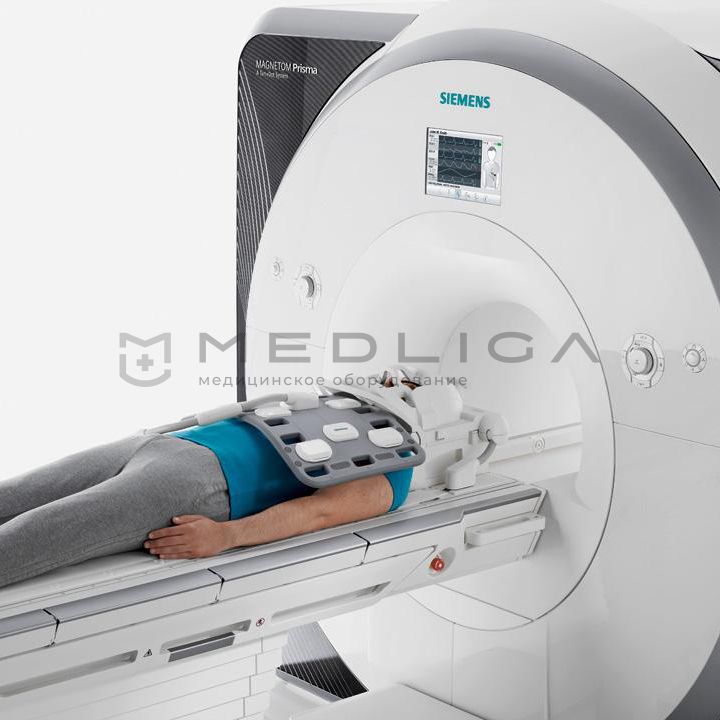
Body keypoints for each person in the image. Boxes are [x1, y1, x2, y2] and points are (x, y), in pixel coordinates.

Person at [0, 396, 413, 589]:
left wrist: (225, 536)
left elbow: (317, 513)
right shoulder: (342, 399)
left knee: (37, 533)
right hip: (164, 441)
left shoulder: (397, 470)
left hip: (202, 480)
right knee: (12, 494)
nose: (397, 382)